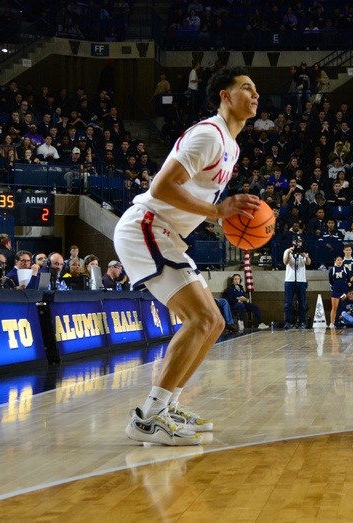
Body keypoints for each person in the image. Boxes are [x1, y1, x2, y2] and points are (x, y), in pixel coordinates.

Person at [115, 66, 261, 446]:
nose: (255, 94)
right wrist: (216, 212)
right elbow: (161, 186)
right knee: (202, 318)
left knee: (212, 323)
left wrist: (214, 214)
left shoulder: (231, 143)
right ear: (224, 96)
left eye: (256, 89)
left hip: (166, 232)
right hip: (147, 225)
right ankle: (148, 417)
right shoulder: (209, 135)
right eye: (246, 88)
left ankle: (167, 405)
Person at [283, 235, 311, 329]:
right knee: (288, 303)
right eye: (296, 241)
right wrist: (289, 253)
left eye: (300, 241)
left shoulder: (304, 252)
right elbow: (285, 262)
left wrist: (305, 256)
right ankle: (288, 322)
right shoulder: (288, 251)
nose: (298, 243)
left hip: (301, 280)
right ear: (293, 242)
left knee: (302, 303)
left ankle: (302, 321)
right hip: (290, 280)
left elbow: (308, 263)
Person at [327, 255, 351, 327]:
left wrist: (346, 290)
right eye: (338, 260)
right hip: (336, 290)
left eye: (341, 260)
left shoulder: (345, 269)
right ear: (335, 261)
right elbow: (330, 280)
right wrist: (334, 287)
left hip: (344, 290)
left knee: (343, 306)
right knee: (334, 307)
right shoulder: (332, 270)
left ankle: (344, 322)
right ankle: (332, 323)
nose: (339, 261)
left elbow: (349, 280)